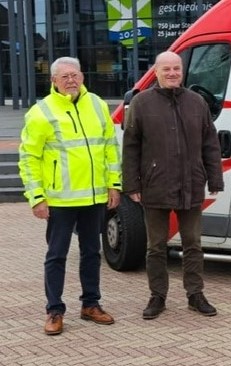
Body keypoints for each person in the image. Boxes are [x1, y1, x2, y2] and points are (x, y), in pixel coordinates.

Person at [19, 56, 122, 335]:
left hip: (94, 198)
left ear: (82, 77)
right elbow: (28, 157)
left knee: (91, 253)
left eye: (75, 75)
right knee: (56, 256)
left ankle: (91, 304)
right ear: (53, 80)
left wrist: (114, 184)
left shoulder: (99, 105)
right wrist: (37, 197)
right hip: (60, 201)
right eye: (64, 76)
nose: (71, 80)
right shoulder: (41, 112)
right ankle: (54, 310)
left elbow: (111, 148)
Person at [122, 51, 224, 320]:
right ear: (156, 71)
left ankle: (195, 294)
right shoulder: (141, 103)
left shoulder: (197, 102)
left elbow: (210, 144)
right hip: (155, 186)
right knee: (156, 246)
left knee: (193, 244)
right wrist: (131, 184)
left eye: (176, 69)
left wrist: (215, 178)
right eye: (166, 69)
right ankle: (157, 296)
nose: (172, 73)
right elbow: (130, 147)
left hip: (191, 184)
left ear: (182, 71)